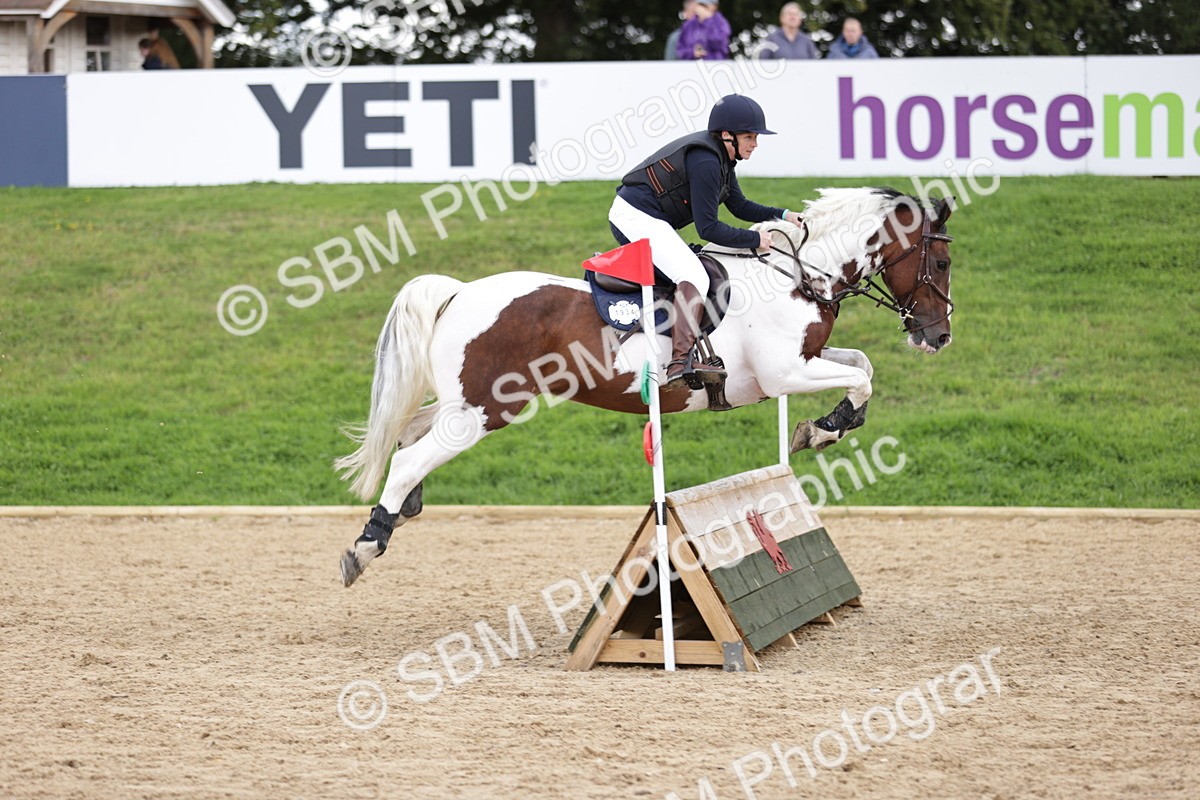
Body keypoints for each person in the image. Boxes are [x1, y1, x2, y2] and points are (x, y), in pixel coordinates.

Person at [609, 95, 803, 390]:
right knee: (693, 274)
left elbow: (738, 205)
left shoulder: (723, 159)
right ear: (727, 135)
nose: (755, 143)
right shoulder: (706, 162)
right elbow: (708, 229)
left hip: (649, 217)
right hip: (634, 216)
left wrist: (783, 215)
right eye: (750, 136)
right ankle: (679, 360)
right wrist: (754, 239)